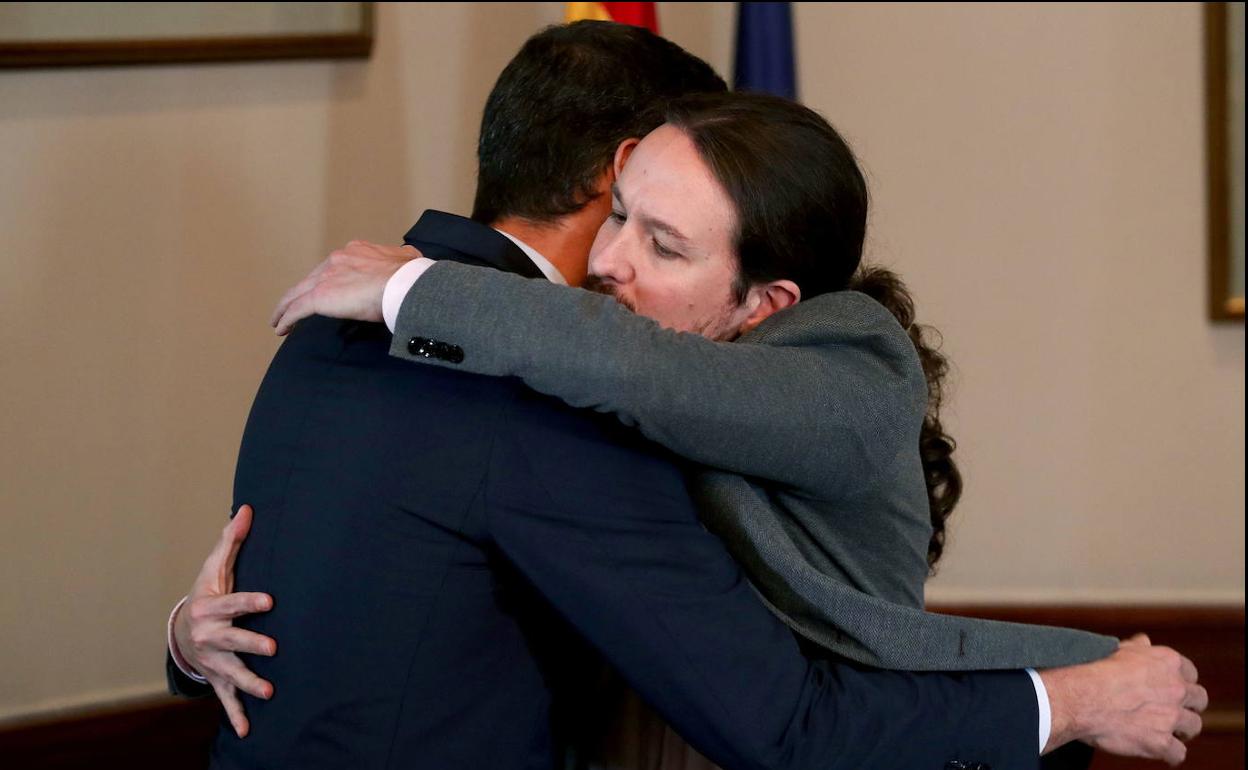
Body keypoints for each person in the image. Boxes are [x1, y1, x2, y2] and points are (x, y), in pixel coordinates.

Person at [168, 21, 1205, 770]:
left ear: (767, 300)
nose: (617, 263)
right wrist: (188, 635)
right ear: (615, 170)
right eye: (624, 216)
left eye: (661, 237)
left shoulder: (334, 325)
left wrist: (412, 284)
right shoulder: (513, 382)